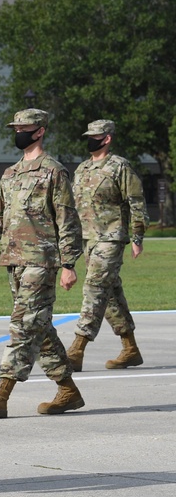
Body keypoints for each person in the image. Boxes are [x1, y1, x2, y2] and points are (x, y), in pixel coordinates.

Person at [0, 108, 84, 418]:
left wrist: (69, 263)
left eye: (24, 127)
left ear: (40, 130)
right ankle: (68, 390)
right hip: (14, 261)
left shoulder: (54, 172)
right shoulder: (10, 174)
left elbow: (67, 220)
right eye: (15, 127)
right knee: (39, 328)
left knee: (24, 324)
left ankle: (1, 394)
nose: (18, 132)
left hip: (42, 261)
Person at [66, 119, 149, 372]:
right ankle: (130, 348)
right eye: (88, 135)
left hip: (111, 238)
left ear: (107, 138)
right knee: (111, 294)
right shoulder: (82, 169)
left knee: (94, 289)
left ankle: (77, 349)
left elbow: (136, 201)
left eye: (95, 135)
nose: (90, 139)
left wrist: (137, 237)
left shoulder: (119, 166)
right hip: (88, 239)